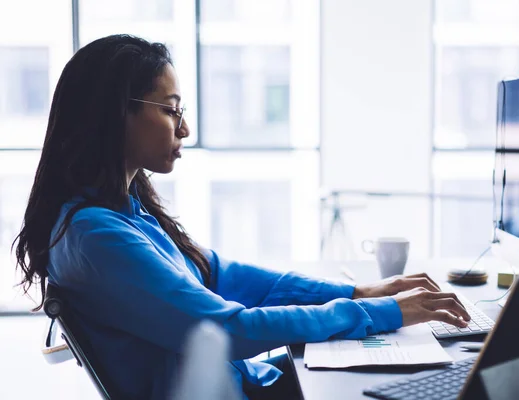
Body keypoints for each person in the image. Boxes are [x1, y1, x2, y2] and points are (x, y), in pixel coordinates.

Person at [14, 34, 470, 400]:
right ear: (116, 115)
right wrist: (378, 312)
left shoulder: (126, 212)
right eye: (171, 111)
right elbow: (228, 329)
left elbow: (223, 274)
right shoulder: (96, 236)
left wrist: (357, 292)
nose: (184, 128)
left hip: (242, 381)